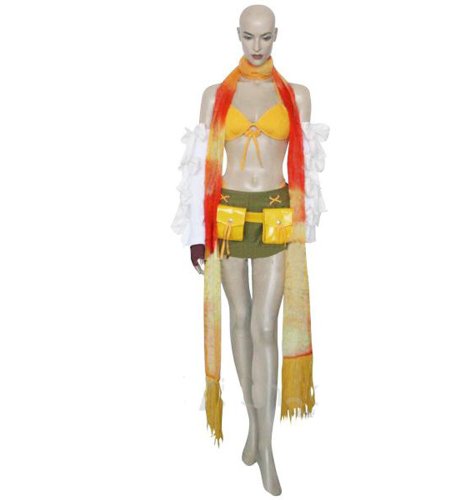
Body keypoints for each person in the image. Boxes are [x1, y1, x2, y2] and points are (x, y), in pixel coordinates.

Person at [171, 5, 329, 496]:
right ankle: (253, 423)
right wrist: (196, 232)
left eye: (265, 38)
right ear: (237, 35)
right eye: (248, 37)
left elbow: (306, 168)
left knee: (265, 325)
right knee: (239, 319)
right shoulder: (215, 95)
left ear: (276, 36)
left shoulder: (296, 95)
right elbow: (198, 165)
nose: (256, 47)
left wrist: (304, 225)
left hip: (276, 214)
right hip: (227, 215)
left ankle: (266, 445)